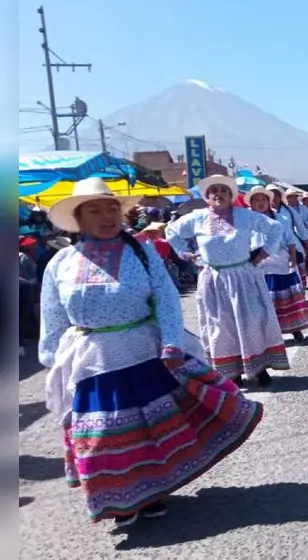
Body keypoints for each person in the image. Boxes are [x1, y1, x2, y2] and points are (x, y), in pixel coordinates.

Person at [39, 177, 262, 525]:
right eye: (94, 210)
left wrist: (172, 342)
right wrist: (53, 361)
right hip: (91, 360)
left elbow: (167, 299)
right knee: (101, 435)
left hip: (143, 352)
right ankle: (117, 499)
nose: (106, 215)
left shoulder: (140, 253)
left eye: (112, 208)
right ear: (79, 220)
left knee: (150, 428)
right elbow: (51, 316)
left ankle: (150, 492)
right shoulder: (61, 262)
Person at [166, 175, 290, 388]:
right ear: (207, 197)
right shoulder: (197, 218)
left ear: (231, 195)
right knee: (220, 325)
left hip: (244, 277)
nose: (219, 194)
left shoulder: (244, 216)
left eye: (224, 190)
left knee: (251, 321)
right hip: (213, 280)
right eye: (214, 191)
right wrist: (187, 254)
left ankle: (259, 368)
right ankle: (231, 372)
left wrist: (264, 253)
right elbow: (171, 231)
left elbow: (275, 228)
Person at [247, 186, 308, 342]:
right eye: (256, 200)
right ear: (251, 203)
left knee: (286, 296)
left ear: (269, 201)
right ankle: (269, 334)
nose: (260, 203)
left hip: (280, 261)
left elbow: (289, 239)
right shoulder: (247, 221)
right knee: (264, 299)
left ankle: (294, 328)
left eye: (263, 199)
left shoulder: (280, 218)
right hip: (258, 263)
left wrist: (293, 259)